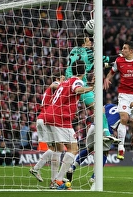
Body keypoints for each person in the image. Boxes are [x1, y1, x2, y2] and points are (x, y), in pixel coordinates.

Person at [41, 60, 96, 189]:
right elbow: (77, 89)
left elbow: (65, 97)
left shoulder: (65, 81)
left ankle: (54, 180)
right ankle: (58, 180)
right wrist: (92, 87)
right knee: (73, 148)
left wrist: (72, 111)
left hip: (50, 114)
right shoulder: (77, 81)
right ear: (84, 71)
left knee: (58, 148)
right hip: (60, 118)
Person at [65, 33, 119, 141]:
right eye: (88, 41)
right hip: (79, 84)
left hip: (67, 84)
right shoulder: (88, 52)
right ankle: (106, 132)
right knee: (99, 108)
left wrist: (108, 65)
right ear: (84, 43)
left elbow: (94, 63)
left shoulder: (73, 50)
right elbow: (105, 59)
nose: (91, 42)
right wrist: (120, 57)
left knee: (66, 113)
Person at [66, 103, 122, 183]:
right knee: (104, 153)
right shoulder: (124, 111)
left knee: (89, 149)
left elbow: (95, 114)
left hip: (93, 126)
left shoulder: (109, 105)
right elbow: (123, 123)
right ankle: (94, 176)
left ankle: (72, 167)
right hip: (105, 130)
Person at [29, 72, 65, 185]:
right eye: (63, 77)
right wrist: (62, 83)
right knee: (57, 149)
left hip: (42, 118)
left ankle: (36, 169)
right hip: (46, 119)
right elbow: (53, 85)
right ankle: (54, 180)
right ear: (57, 78)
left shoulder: (52, 92)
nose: (64, 79)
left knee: (54, 148)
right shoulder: (56, 83)